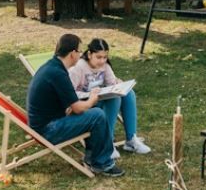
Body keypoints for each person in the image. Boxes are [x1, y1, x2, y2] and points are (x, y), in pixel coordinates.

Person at [26, 33, 123, 177]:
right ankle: (102, 163)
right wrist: (92, 99)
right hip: (48, 130)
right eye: (79, 51)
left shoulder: (52, 67)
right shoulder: (58, 74)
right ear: (72, 54)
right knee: (96, 114)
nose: (80, 55)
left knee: (92, 114)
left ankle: (93, 158)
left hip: (45, 123)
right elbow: (77, 108)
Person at [69, 38, 151, 158]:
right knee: (114, 99)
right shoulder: (78, 67)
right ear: (89, 54)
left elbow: (112, 82)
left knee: (129, 93)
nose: (102, 61)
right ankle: (107, 143)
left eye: (105, 57)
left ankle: (131, 139)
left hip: (97, 98)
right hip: (83, 103)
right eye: (98, 57)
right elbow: (69, 93)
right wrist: (90, 95)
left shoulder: (105, 66)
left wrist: (118, 84)